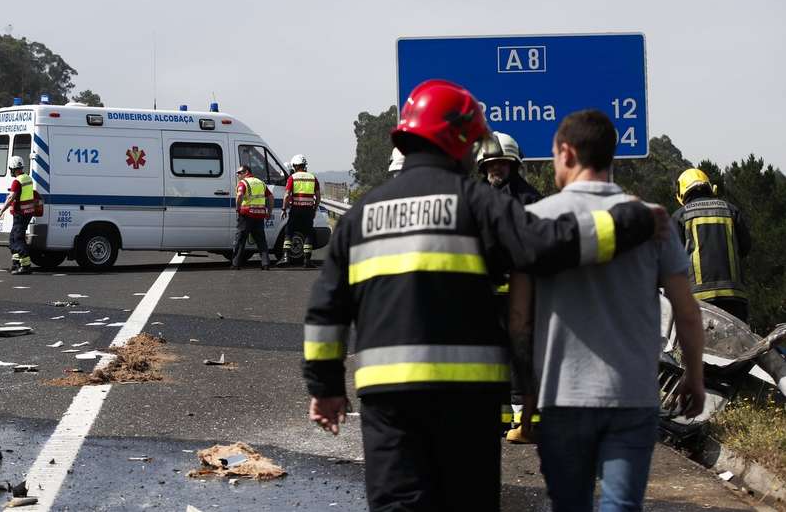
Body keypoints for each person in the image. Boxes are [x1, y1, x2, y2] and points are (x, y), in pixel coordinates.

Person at [302, 80, 672, 511]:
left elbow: (325, 309)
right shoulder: (476, 201)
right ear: (458, 140)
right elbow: (546, 245)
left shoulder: (361, 215)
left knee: (398, 505)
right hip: (465, 397)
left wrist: (325, 387)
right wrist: (629, 222)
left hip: (388, 397)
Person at [508, 109, 706, 512]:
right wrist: (694, 376)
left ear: (566, 152)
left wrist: (527, 397)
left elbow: (519, 320)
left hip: (562, 398)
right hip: (631, 395)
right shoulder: (655, 221)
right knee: (621, 505)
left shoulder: (535, 220)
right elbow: (687, 312)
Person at [476, 131, 543, 442]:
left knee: (521, 360)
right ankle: (500, 418)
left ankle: (527, 422)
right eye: (490, 165)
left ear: (514, 165)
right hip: (485, 296)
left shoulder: (531, 200)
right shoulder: (475, 200)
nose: (495, 169)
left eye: (501, 164)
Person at [672, 168, 751, 322]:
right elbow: (745, 247)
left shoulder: (680, 216)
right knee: (739, 344)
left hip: (698, 300)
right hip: (734, 298)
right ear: (710, 187)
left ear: (682, 193)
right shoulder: (731, 211)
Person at [0, 156, 35, 275]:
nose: (11, 171)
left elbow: (11, 197)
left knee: (18, 238)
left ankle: (26, 265)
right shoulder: (27, 178)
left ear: (14, 169)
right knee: (13, 237)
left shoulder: (17, 181)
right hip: (27, 213)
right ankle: (16, 263)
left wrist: (1, 212)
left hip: (21, 214)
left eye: (11, 169)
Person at [278, 154, 321, 268]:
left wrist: (284, 209)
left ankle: (286, 257)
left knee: (289, 231)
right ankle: (307, 260)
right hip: (308, 210)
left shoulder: (292, 178)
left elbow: (287, 195)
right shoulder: (313, 178)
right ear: (304, 165)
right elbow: (318, 196)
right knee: (308, 233)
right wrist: (315, 209)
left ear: (294, 166)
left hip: (296, 209)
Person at [232, 165, 272, 270]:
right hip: (259, 215)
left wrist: (237, 209)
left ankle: (236, 264)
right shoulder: (261, 183)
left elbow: (240, 195)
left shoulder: (243, 183)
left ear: (246, 172)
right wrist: (269, 212)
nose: (238, 175)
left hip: (246, 215)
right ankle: (266, 263)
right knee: (261, 240)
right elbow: (270, 197)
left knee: (240, 239)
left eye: (240, 172)